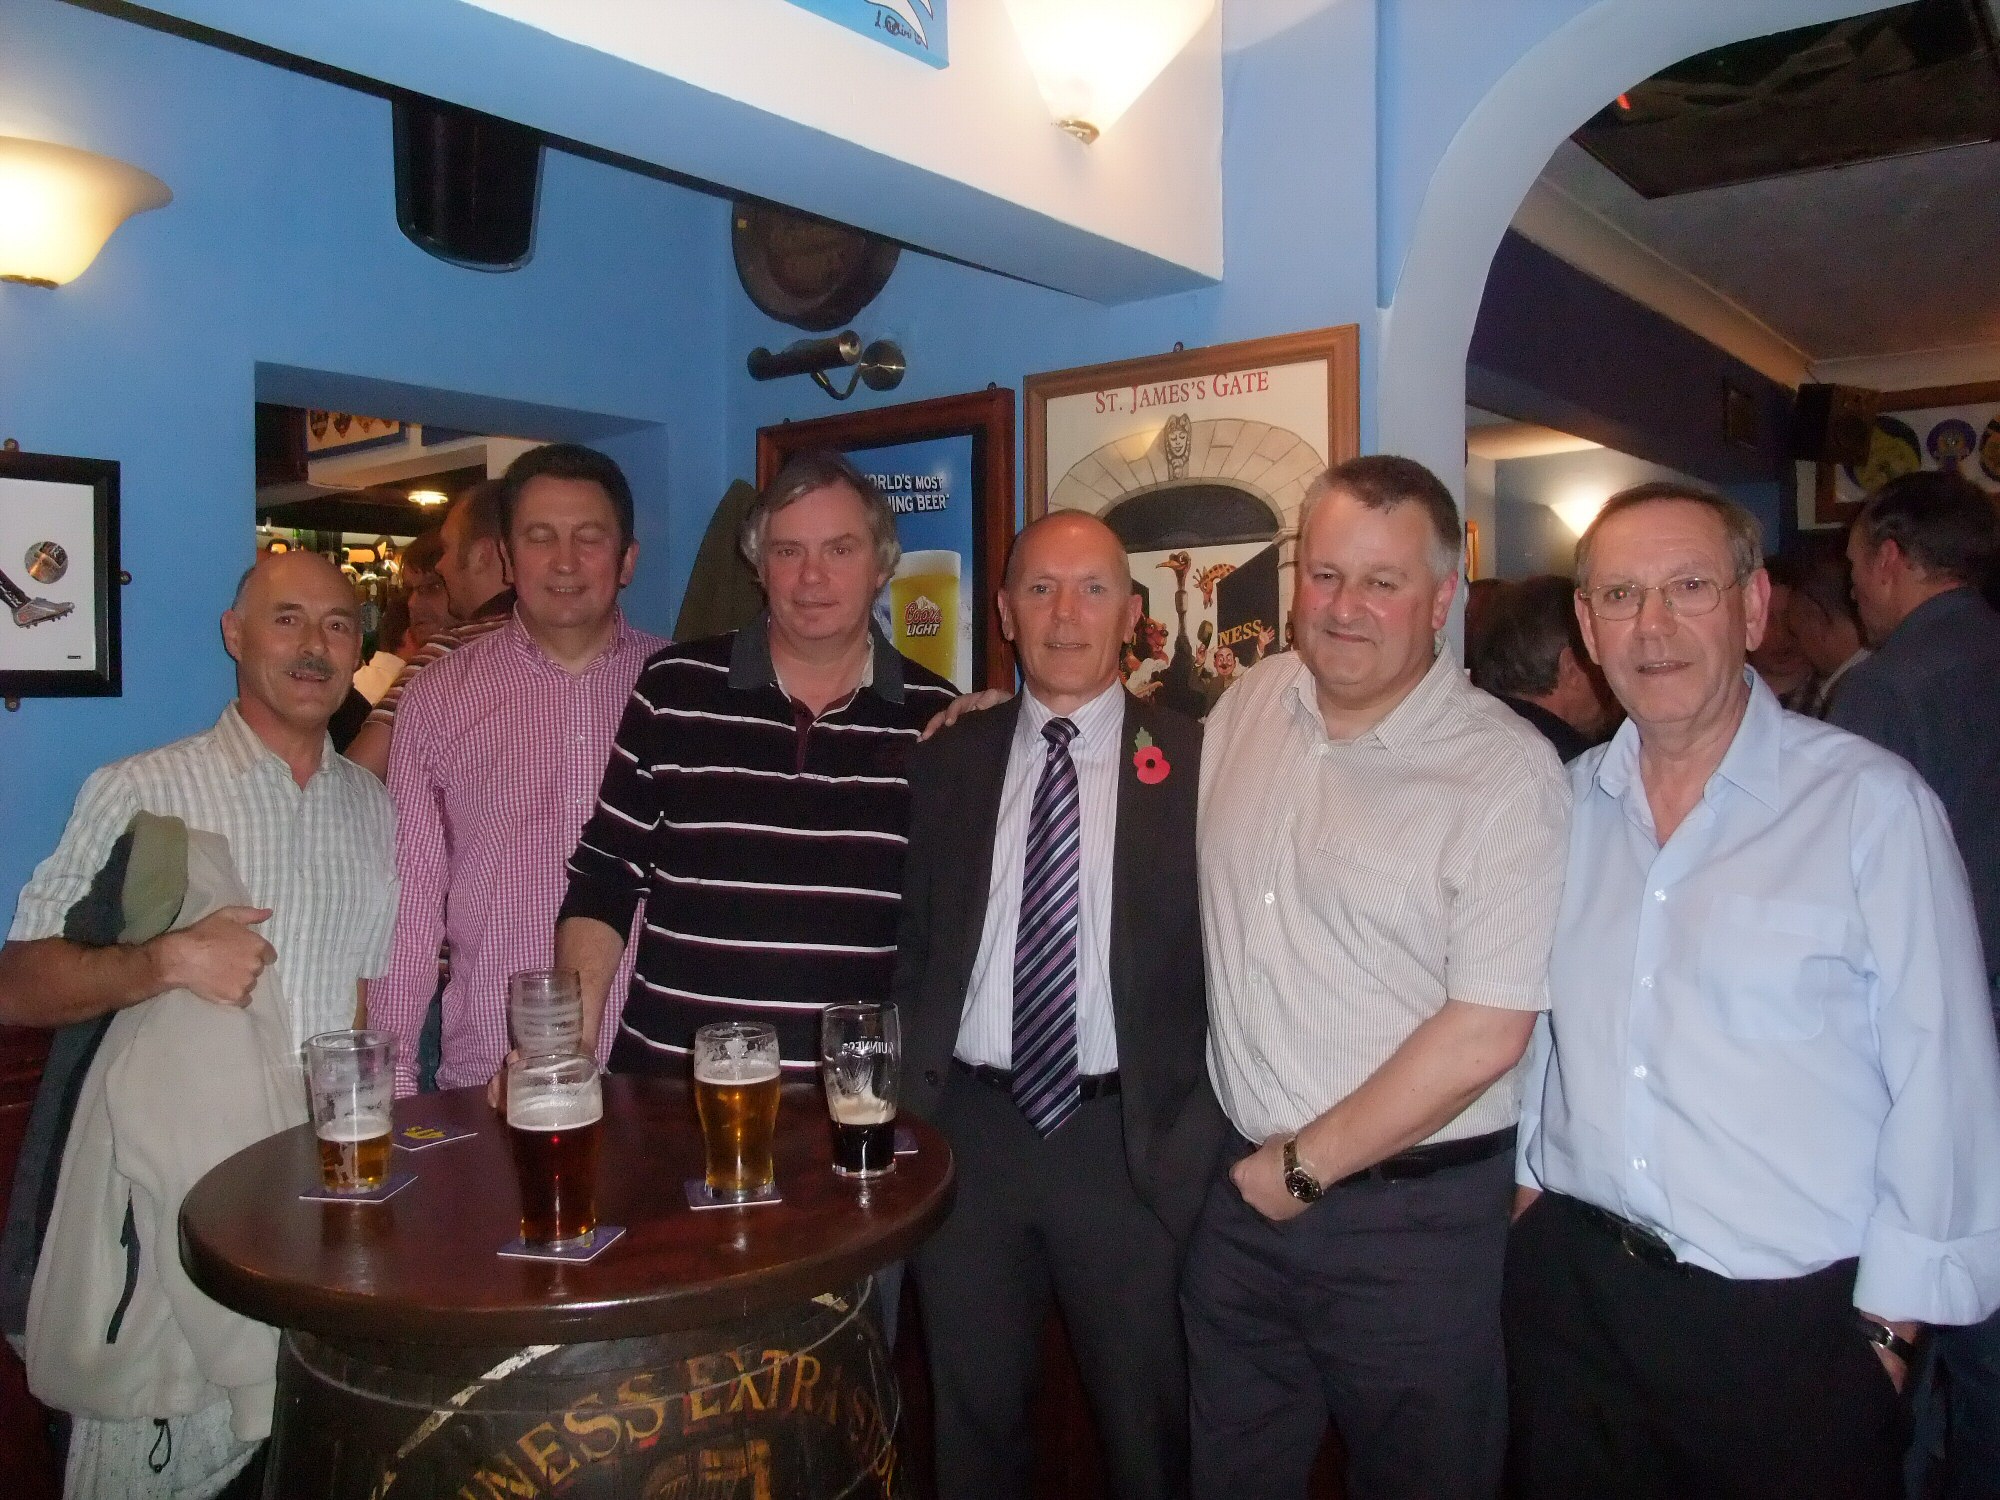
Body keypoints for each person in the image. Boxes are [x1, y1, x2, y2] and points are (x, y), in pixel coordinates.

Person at [1509, 481, 2000, 1499]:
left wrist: (1886, 1337)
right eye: (1620, 595)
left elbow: (1945, 1079)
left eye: (1688, 587)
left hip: (1786, 1330)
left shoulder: (1869, 808)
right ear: (1588, 629)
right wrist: (1528, 1202)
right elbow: (1544, 1033)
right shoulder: (1561, 809)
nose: (1652, 626)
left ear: (1752, 607)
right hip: (1575, 1306)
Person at [1183, 455, 1570, 1499]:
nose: (1343, 607)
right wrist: (993, 714)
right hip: (1238, 1200)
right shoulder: (1251, 701)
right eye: (1324, 574)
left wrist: (1302, 1169)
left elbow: (1488, 1029)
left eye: (1381, 583)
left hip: (1411, 1229)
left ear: (1441, 600)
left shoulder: (1503, 773)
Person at [0, 550, 396, 1496]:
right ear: (234, 634)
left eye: (338, 625)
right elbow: (16, 984)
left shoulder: (375, 808)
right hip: (174, 1214)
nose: (314, 646)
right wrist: (165, 960)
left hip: (321, 1216)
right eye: (287, 619)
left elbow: (362, 1004)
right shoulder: (142, 790)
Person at [895, 512, 1224, 1500]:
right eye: (1040, 589)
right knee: (971, 1426)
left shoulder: (1204, 763)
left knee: (1147, 1431)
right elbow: (908, 945)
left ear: (1131, 614)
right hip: (968, 1137)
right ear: (1004, 613)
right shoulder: (947, 756)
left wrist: (1192, 1142)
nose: (1065, 614)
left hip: (1128, 1145)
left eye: (1091, 589)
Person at [557, 451, 958, 1074]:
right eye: (788, 550)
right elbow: (605, 878)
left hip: (848, 1099)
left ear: (881, 566)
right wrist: (569, 1050)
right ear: (759, 565)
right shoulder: (674, 689)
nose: (812, 577)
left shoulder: (938, 719)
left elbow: (948, 929)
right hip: (671, 1090)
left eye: (840, 549)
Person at [366, 445, 665, 1096]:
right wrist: (393, 1088)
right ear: (506, 557)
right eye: (540, 537)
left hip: (658, 1075)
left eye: (589, 538)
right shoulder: (438, 698)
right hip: (493, 1075)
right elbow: (409, 910)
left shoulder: (684, 691)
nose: (565, 561)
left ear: (627, 560)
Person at [1832, 469, 2000, 1499]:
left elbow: (1839, 902)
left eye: (1855, 565)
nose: (1852, 588)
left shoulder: (1885, 689)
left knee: (1922, 1338)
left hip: (1933, 1053)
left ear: (1890, 559)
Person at [346, 479, 515, 779]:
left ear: (483, 554)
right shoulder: (563, 645)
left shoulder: (449, 652)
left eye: (448, 548)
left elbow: (359, 776)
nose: (442, 565)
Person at [1470, 573, 1613, 762]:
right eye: (1598, 658)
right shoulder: (1569, 766)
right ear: (1571, 668)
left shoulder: (1462, 731)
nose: (1609, 679)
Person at [1767, 535, 1868, 718]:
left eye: (1792, 623)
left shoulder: (1858, 694)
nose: (1783, 634)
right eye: (1768, 619)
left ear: (1816, 617)